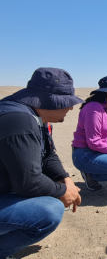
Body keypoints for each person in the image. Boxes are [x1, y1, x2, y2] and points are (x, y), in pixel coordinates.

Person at [0, 68, 83, 259]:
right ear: (53, 102)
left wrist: (66, 180)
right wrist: (63, 192)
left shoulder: (34, 116)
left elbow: (47, 155)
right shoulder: (18, 121)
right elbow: (29, 182)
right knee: (48, 211)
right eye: (68, 104)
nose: (71, 108)